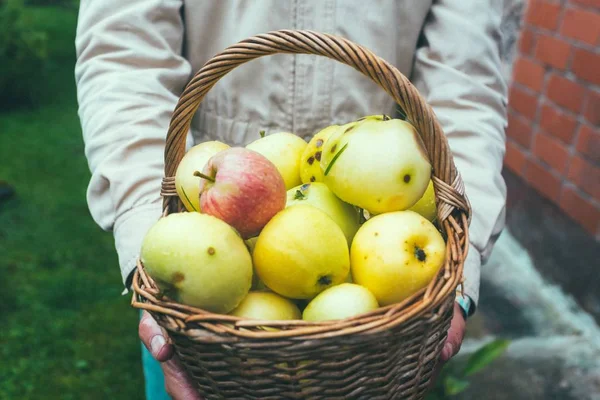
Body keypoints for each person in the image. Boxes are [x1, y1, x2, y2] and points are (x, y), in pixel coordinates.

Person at [74, 1, 508, 399]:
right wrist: (149, 228)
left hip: (379, 255)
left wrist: (457, 272)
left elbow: (464, 83)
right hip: (200, 259)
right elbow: (125, 57)